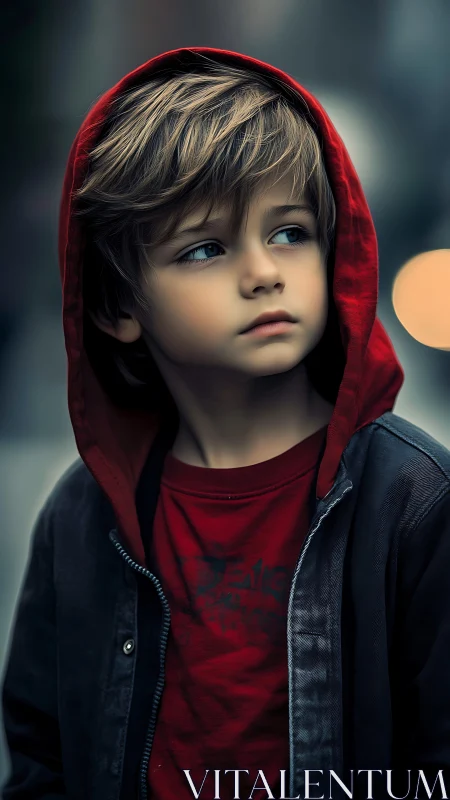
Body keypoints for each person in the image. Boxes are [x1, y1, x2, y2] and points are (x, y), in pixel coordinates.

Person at [1, 46, 450, 800]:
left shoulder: (414, 503)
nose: (263, 271)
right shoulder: (84, 517)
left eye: (289, 232)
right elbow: (42, 757)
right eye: (206, 248)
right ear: (117, 308)